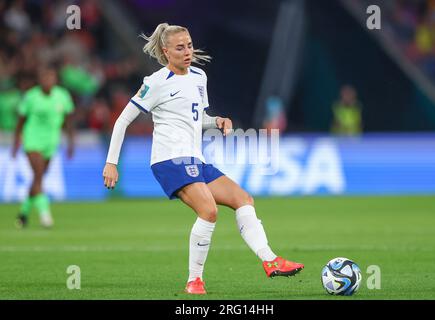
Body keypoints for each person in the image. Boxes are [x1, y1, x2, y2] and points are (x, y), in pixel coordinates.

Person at [102, 23, 304, 295]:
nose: (188, 51)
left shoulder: (199, 76)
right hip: (169, 160)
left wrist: (216, 120)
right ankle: (194, 281)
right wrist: (111, 162)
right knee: (209, 211)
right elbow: (122, 121)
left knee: (243, 199)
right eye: (180, 47)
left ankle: (271, 261)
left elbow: (196, 119)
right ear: (166, 51)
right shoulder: (155, 83)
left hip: (195, 159)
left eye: (189, 45)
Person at [12, 66, 75, 228]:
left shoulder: (62, 96)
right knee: (39, 176)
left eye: (51, 78)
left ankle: (23, 214)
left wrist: (71, 143)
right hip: (32, 141)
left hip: (51, 143)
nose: (48, 81)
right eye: (45, 78)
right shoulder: (31, 97)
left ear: (55, 80)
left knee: (37, 178)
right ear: (39, 80)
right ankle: (45, 215)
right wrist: (16, 143)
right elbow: (20, 122)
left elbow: (68, 121)